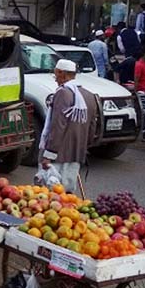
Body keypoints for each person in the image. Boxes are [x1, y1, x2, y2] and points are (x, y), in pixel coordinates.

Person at [38, 59, 99, 193]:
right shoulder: (89, 95)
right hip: (76, 152)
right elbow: (92, 126)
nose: (55, 79)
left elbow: (58, 125)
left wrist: (49, 154)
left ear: (62, 74)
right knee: (68, 193)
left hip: (58, 154)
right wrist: (84, 147)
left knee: (51, 193)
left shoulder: (63, 93)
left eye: (56, 75)